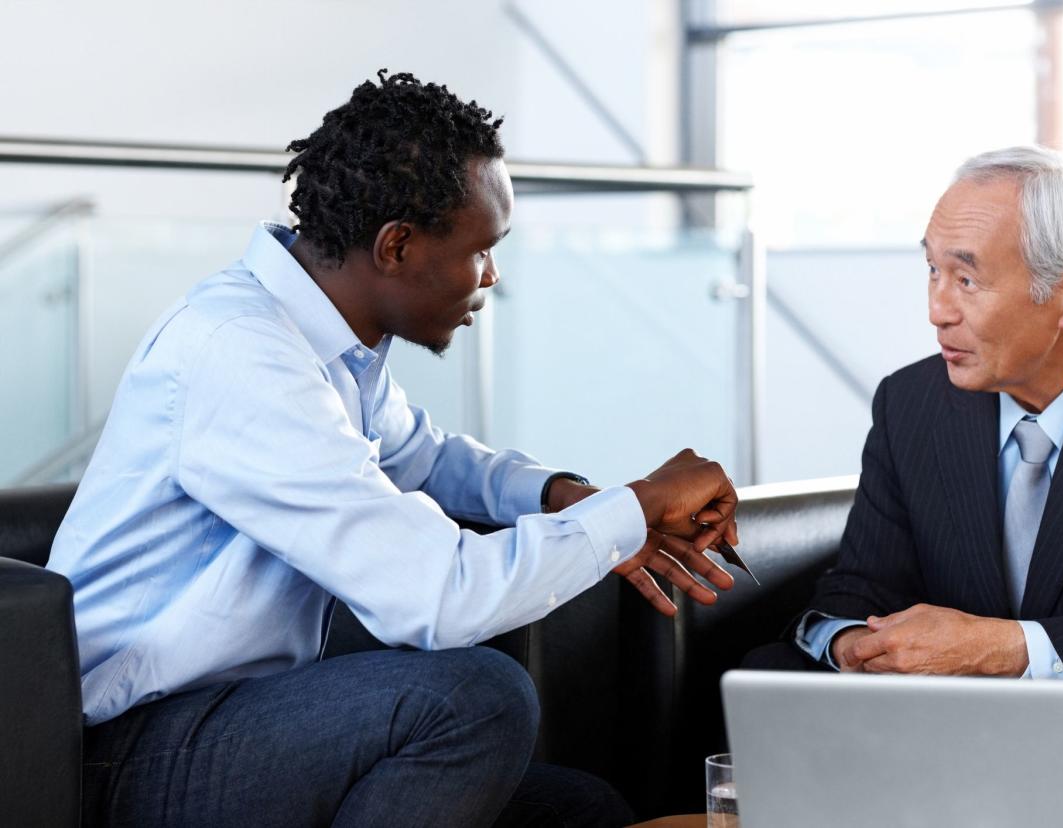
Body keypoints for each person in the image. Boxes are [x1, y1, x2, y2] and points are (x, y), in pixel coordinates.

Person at [48, 70, 739, 828]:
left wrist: (571, 497)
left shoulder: (325, 344)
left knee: (577, 811)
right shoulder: (239, 353)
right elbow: (438, 599)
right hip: (118, 752)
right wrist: (633, 512)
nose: (492, 277)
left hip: (235, 719)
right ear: (398, 245)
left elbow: (431, 460)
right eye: (482, 250)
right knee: (478, 699)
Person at [747, 145, 1063, 693]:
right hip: (941, 731)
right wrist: (849, 644)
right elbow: (860, 588)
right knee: (761, 671)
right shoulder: (910, 402)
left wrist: (1002, 649)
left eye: (967, 280)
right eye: (933, 270)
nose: (937, 310)